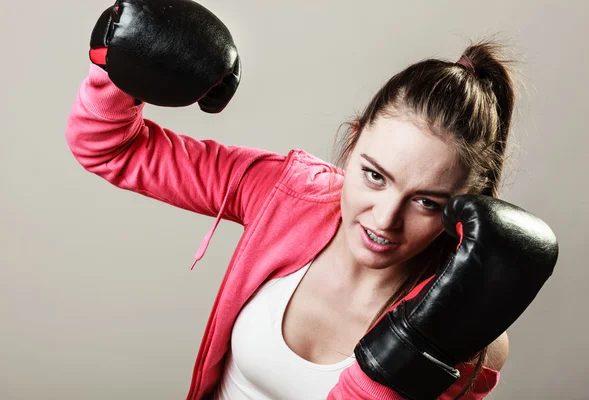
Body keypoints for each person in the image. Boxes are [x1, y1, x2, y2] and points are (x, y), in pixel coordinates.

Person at [66, 1, 558, 399]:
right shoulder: (288, 194)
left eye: (427, 203)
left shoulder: (467, 328)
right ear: (354, 139)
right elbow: (110, 149)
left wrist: (410, 353)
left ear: (465, 209)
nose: (385, 219)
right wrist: (116, 67)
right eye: (373, 175)